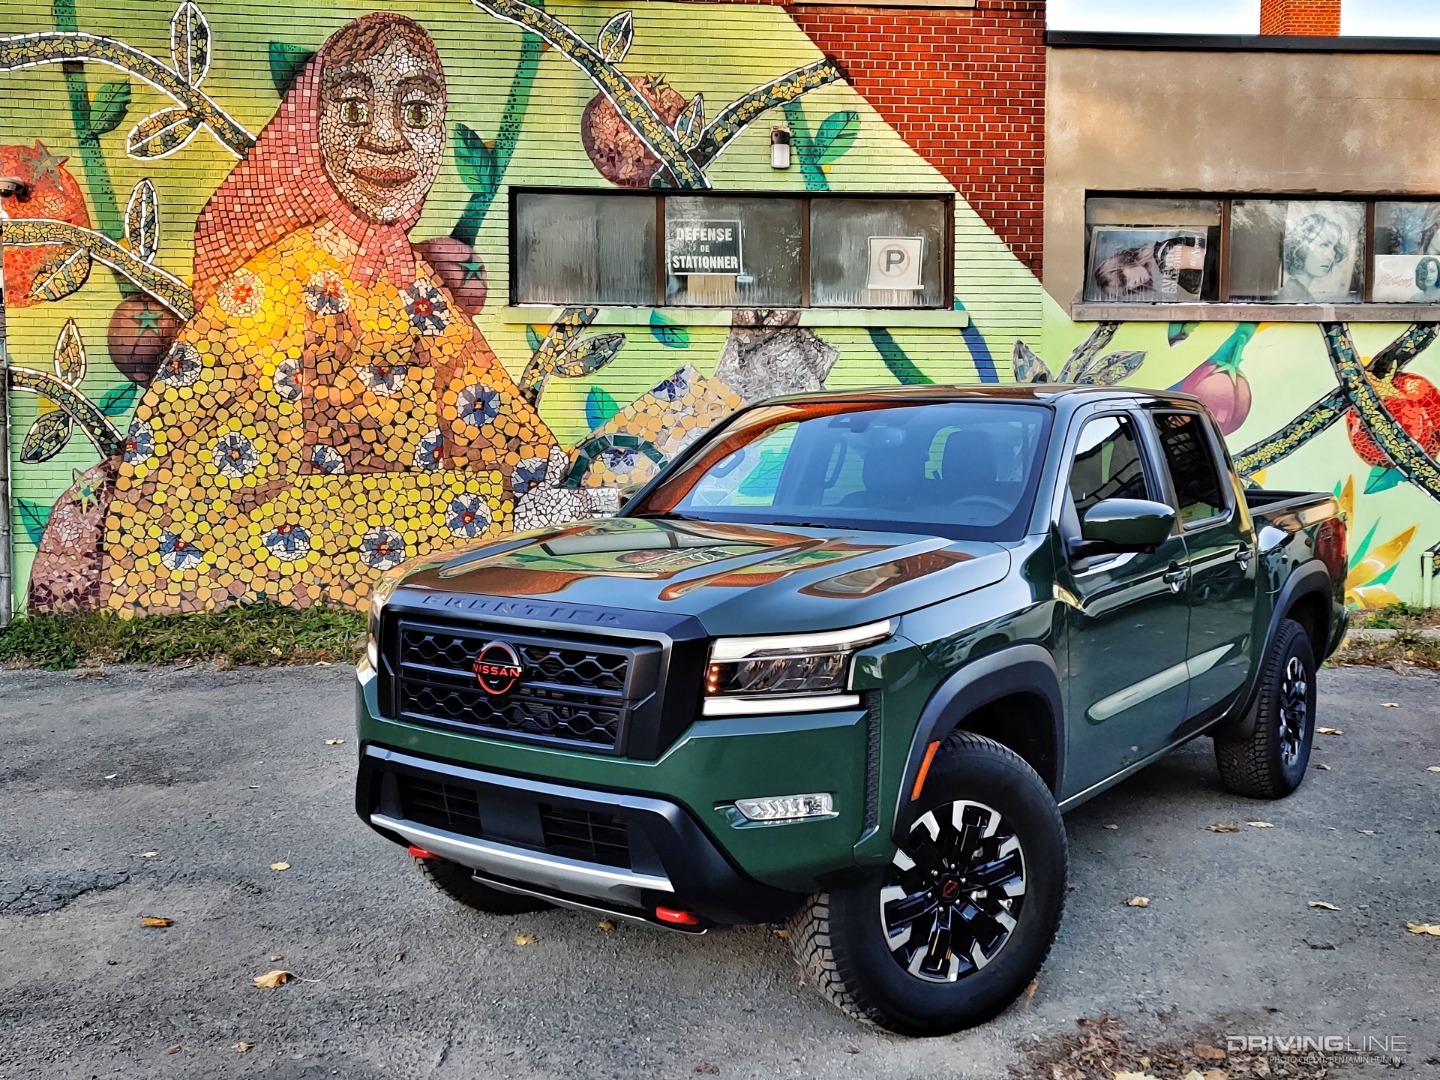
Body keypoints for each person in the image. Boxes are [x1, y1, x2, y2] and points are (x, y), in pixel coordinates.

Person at [99, 14, 563, 614]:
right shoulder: (274, 290)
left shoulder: (407, 276)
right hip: (224, 536)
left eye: (418, 114)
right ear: (311, 131)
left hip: (361, 524)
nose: (388, 140)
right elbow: (241, 494)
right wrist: (488, 499)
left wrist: (545, 488)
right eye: (352, 112)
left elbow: (492, 424)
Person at [1091, 234, 1205, 301]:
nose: (1131, 285)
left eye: (1124, 279)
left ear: (1125, 262)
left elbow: (1214, 262)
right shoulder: (1159, 275)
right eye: (1127, 289)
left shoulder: (1164, 255)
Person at [1276, 212, 1350, 302]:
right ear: (1302, 247)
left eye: (1334, 248)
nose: (1331, 255)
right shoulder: (1292, 297)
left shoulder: (1299, 293)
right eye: (1324, 245)